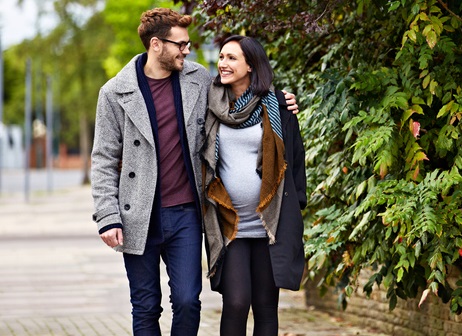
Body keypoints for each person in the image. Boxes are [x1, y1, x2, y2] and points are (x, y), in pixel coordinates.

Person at [90, 8, 298, 336]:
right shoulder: (115, 93)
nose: (187, 51)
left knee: (188, 301)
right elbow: (103, 159)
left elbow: (239, 99)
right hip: (136, 215)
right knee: (145, 304)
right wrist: (107, 216)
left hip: (186, 212)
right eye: (181, 45)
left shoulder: (198, 79)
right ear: (156, 44)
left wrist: (279, 101)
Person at [200, 35, 307, 336]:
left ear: (251, 65)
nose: (223, 63)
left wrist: (294, 210)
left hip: (268, 224)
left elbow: (296, 161)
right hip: (230, 223)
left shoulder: (278, 107)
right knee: (235, 303)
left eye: (232, 58)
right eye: (221, 57)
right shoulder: (210, 104)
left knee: (265, 306)